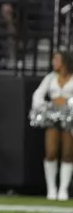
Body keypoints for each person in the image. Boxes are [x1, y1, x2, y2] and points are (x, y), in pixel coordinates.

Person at [31, 51, 73, 201]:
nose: (53, 62)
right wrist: (48, 104)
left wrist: (68, 102)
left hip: (70, 118)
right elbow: (37, 95)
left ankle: (63, 189)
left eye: (57, 59)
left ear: (65, 62)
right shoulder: (50, 78)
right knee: (51, 151)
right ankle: (51, 189)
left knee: (68, 153)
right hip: (53, 117)